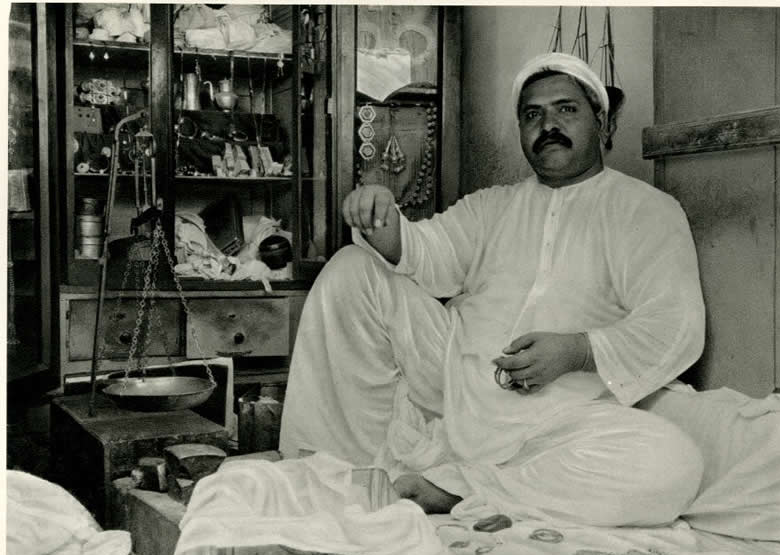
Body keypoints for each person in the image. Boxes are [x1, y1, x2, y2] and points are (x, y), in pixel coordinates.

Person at [279, 52, 706, 527]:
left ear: (601, 122)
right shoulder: (493, 205)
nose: (548, 125)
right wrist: (382, 220)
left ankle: (460, 488)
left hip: (560, 412)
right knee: (353, 269)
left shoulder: (648, 211)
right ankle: (335, 473)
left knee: (670, 463)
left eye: (566, 109)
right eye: (532, 115)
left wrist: (579, 351)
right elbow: (430, 252)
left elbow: (675, 325)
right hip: (454, 376)